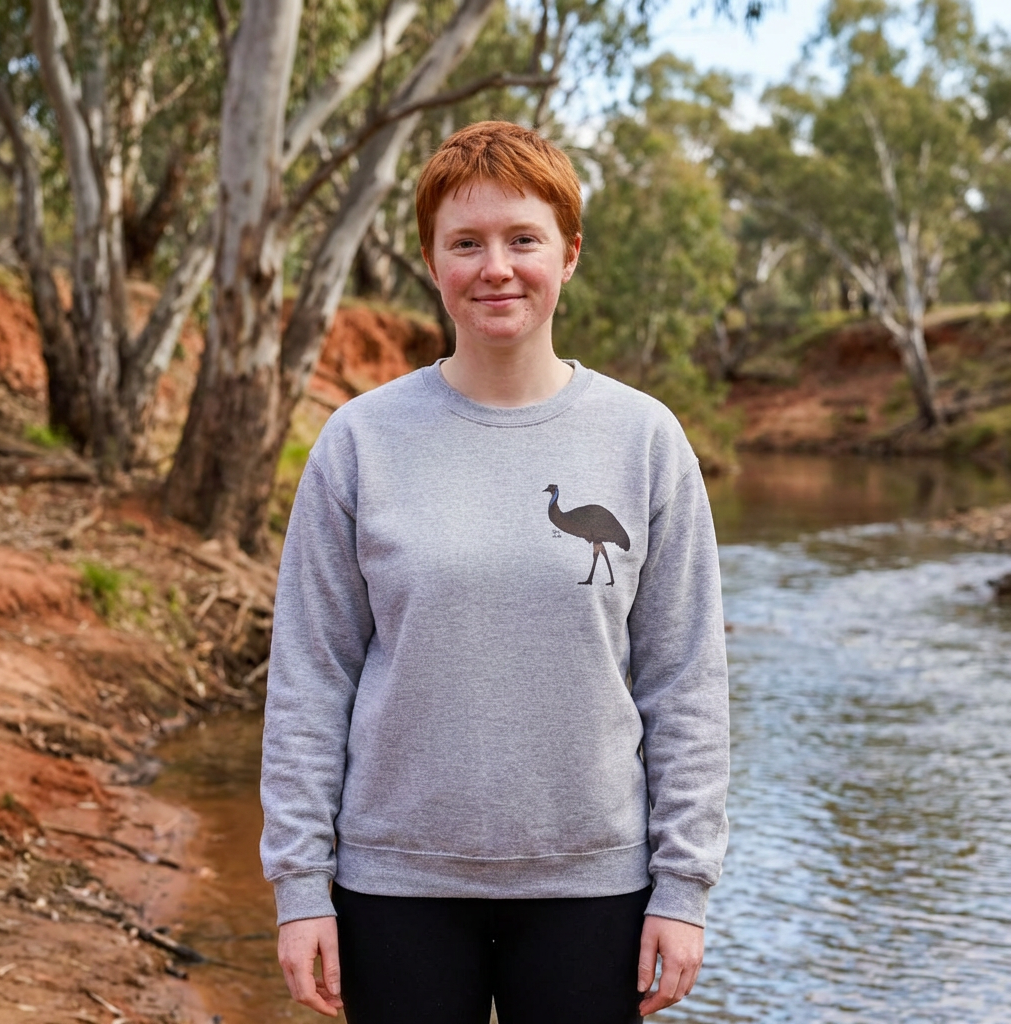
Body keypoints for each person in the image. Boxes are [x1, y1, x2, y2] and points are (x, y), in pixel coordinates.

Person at [260, 120, 730, 1024]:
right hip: (392, 882)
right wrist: (300, 886)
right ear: (433, 263)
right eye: (465, 243)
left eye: (524, 239)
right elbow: (312, 677)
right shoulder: (360, 442)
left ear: (571, 253)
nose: (496, 268)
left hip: (594, 885)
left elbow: (686, 682)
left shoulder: (645, 441)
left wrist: (683, 888)